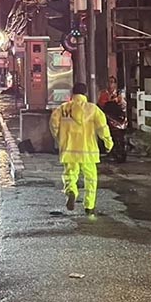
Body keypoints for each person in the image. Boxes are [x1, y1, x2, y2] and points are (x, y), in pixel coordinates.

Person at [49, 82, 113, 214]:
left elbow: (53, 125)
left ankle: (71, 191)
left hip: (69, 149)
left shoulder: (63, 109)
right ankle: (89, 206)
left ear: (73, 93)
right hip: (88, 151)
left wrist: (60, 139)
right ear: (85, 93)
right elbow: (103, 128)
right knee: (91, 178)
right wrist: (108, 143)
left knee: (70, 175)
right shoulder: (93, 109)